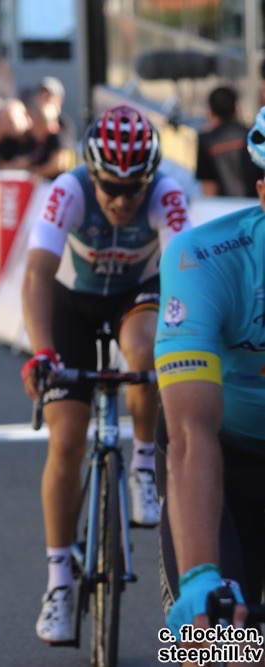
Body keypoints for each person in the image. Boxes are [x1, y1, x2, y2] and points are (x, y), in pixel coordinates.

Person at [20, 104, 192, 644]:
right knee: (67, 440)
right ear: (92, 175)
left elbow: (187, 270)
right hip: (72, 304)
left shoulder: (167, 194)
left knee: (145, 350)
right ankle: (58, 583)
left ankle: (141, 463)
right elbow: (37, 274)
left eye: (134, 189)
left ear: (151, 179)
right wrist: (42, 352)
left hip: (135, 297)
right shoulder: (68, 190)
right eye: (111, 188)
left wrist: (187, 348)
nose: (122, 200)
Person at [155, 106, 265, 640]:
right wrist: (201, 575)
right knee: (220, 640)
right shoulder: (204, 259)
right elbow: (190, 431)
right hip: (221, 456)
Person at [195, 85, 259, 198]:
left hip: (225, 207)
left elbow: (209, 190)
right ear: (236, 109)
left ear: (210, 111)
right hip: (256, 205)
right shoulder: (254, 135)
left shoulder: (206, 141)